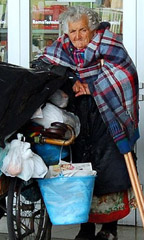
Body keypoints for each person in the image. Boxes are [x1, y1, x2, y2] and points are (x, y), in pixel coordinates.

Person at [36, 6, 139, 240]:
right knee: (80, 168)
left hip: (108, 117)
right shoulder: (62, 48)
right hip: (78, 115)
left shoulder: (109, 44)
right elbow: (43, 67)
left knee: (110, 168)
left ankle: (110, 227)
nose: (78, 36)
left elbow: (126, 75)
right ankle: (86, 227)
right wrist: (71, 80)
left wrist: (93, 87)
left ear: (93, 29)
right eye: (73, 31)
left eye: (83, 29)